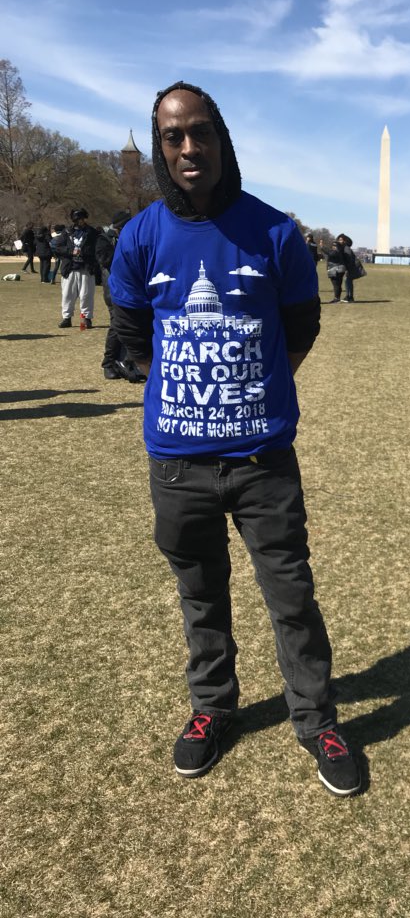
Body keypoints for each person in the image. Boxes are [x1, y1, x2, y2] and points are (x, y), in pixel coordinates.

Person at [109, 81, 361, 796]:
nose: (188, 148)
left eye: (200, 132)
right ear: (161, 149)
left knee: (291, 596)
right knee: (200, 595)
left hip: (261, 460)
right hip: (179, 463)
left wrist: (253, 388)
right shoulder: (140, 237)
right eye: (172, 136)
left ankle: (315, 719)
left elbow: (302, 326)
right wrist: (189, 392)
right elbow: (130, 338)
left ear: (221, 138)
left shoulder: (275, 231)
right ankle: (212, 708)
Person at [96, 210, 145, 381]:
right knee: (117, 326)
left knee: (133, 326)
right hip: (113, 290)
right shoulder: (104, 240)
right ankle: (108, 363)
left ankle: (127, 362)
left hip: (132, 289)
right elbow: (108, 261)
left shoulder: (133, 238)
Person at [57, 208, 98, 329]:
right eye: (78, 219)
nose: (81, 221)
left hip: (86, 267)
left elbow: (97, 249)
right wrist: (71, 251)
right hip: (70, 268)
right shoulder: (67, 232)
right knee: (67, 295)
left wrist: (84, 252)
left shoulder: (92, 232)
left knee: (86, 295)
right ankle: (67, 318)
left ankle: (86, 318)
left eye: (82, 219)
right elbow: (58, 247)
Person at [324, 234, 356, 303]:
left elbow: (349, 259)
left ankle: (349, 297)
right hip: (342, 268)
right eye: (339, 240)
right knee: (345, 282)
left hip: (343, 268)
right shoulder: (341, 248)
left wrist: (348, 268)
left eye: (341, 240)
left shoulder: (345, 248)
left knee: (344, 282)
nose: (340, 241)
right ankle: (348, 296)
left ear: (345, 241)